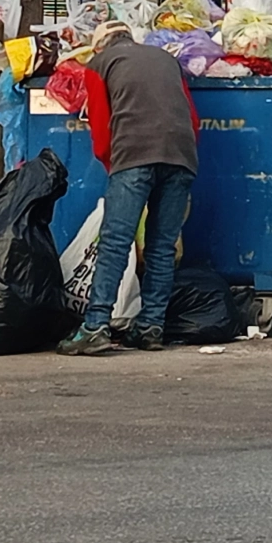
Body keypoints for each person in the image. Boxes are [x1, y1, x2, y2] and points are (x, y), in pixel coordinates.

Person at [57, 20, 200, 356]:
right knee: (162, 247)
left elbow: (102, 130)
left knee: (115, 243)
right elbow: (192, 119)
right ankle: (151, 327)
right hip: (181, 155)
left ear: (99, 46)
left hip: (134, 155)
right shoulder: (166, 60)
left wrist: (114, 166)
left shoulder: (99, 65)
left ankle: (95, 326)